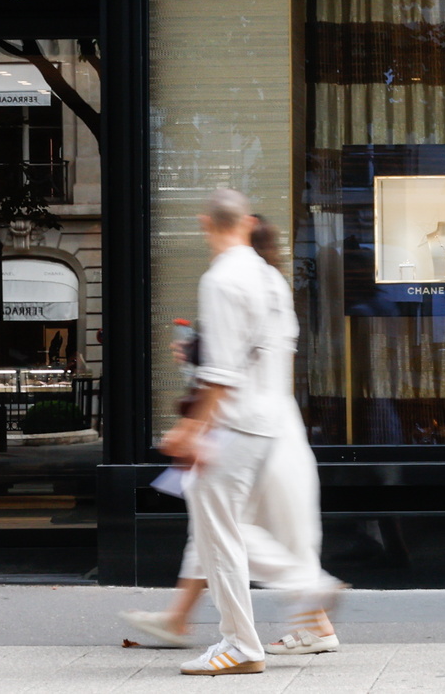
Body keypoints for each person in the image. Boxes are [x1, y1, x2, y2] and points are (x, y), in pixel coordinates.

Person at [126, 193, 342, 676]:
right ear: (245, 222)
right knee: (226, 529)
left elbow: (222, 373)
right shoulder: (270, 279)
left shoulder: (221, 278)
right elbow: (263, 351)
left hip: (236, 421)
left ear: (206, 223)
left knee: (217, 533)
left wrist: (191, 428)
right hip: (271, 419)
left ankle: (243, 641)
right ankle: (301, 587)